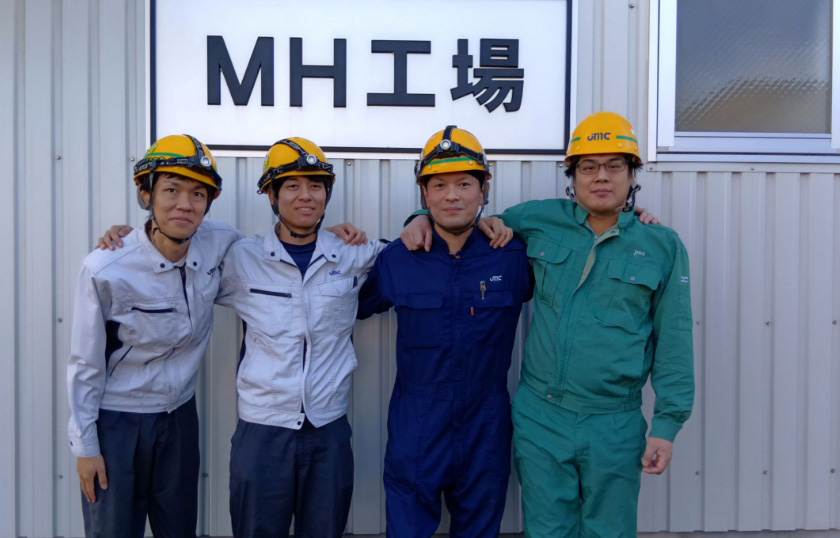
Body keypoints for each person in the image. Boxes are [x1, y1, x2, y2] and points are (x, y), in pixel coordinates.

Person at [401, 112, 694, 537]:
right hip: (541, 417)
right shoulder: (537, 220)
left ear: (632, 175)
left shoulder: (661, 246)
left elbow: (674, 342)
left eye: (615, 166)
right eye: (588, 167)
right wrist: (419, 216)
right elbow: (463, 214)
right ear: (572, 177)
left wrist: (666, 425)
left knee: (610, 532)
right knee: (546, 530)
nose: (601, 177)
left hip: (614, 421)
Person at [357, 126, 533, 537]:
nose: (452, 195)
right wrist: (328, 238)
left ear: (484, 189)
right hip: (416, 424)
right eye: (439, 185)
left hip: (486, 423)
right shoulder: (398, 258)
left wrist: (635, 219)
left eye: (464, 184)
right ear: (424, 195)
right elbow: (341, 302)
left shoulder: (512, 256)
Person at [66, 134, 241, 538]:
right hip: (117, 423)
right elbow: (84, 362)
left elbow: (275, 255)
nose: (185, 204)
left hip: (178, 418)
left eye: (198, 193)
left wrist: (331, 234)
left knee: (178, 529)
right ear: (146, 194)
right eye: (171, 189)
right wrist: (86, 447)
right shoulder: (106, 267)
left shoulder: (221, 242)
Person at [213, 138, 386, 538]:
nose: (305, 196)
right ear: (271, 195)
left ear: (327, 194)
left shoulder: (352, 253)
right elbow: (179, 260)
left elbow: (418, 251)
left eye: (315, 186)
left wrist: (421, 219)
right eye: (291, 186)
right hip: (262, 431)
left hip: (328, 429)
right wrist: (137, 235)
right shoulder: (242, 257)